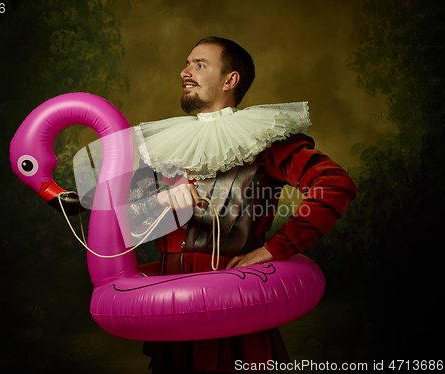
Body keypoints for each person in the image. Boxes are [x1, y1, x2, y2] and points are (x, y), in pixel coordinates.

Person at [126, 37, 357, 373]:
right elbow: (127, 227)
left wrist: (276, 248)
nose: (184, 71)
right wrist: (160, 201)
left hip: (233, 297)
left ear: (229, 80)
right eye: (187, 63)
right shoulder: (164, 145)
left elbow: (335, 185)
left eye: (199, 64)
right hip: (171, 306)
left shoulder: (265, 139)